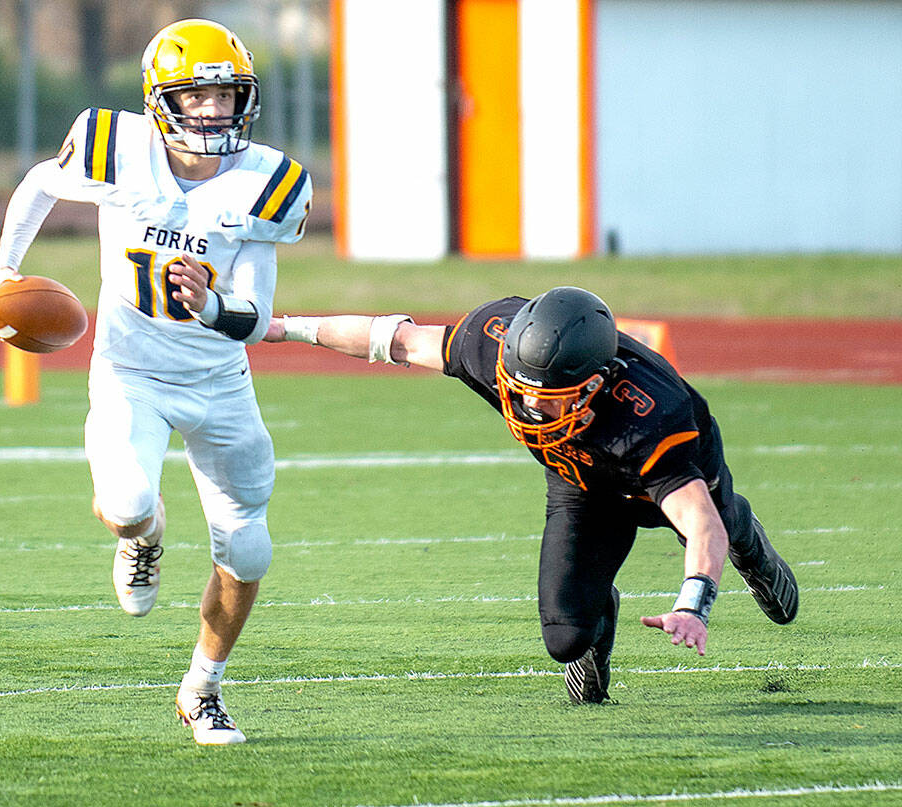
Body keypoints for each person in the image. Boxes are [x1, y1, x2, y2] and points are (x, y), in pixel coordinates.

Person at [0, 19, 311, 743]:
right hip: (131, 370)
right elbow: (38, 185)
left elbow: (256, 316)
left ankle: (203, 689)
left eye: (228, 96)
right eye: (199, 97)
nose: (216, 111)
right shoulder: (114, 145)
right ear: (164, 101)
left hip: (220, 380)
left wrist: (216, 304)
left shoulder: (270, 182)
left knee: (249, 548)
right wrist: (4, 272)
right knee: (127, 502)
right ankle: (145, 534)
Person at [266, 287, 798, 704]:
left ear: (598, 383)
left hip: (659, 480)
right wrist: (289, 327)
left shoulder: (648, 415)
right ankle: (597, 613)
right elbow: (395, 339)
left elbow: (700, 522)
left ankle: (750, 540)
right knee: (565, 634)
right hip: (580, 481)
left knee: (722, 522)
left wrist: (693, 603)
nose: (530, 409)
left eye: (551, 400)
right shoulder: (490, 342)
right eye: (520, 391)